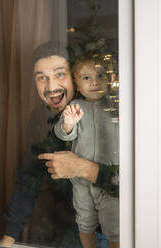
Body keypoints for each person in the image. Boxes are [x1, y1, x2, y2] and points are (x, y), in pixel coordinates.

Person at [0, 42, 118, 247]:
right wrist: (7, 239)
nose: (51, 86)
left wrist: (82, 167)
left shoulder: (113, 111)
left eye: (59, 74)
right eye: (41, 78)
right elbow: (30, 179)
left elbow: (138, 183)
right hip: (76, 227)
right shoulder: (42, 121)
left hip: (118, 226)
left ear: (73, 77)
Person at [53, 55, 119, 248]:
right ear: (78, 85)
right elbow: (63, 134)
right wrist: (68, 124)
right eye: (86, 78)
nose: (95, 82)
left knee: (114, 223)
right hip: (81, 181)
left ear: (111, 79)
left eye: (100, 75)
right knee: (85, 219)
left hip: (110, 180)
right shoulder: (76, 107)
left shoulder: (115, 106)